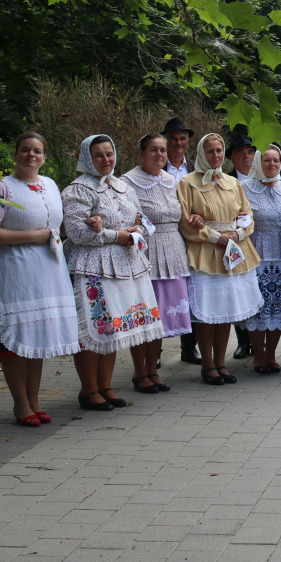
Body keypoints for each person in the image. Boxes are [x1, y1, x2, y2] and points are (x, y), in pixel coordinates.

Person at [63, 134, 164, 410]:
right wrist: (116, 235)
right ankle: (89, 389)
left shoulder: (123, 186)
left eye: (109, 154)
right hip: (93, 268)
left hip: (127, 265)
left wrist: (136, 230)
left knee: (112, 329)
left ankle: (105, 386)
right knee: (95, 328)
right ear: (87, 158)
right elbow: (76, 232)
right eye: (99, 155)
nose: (106, 160)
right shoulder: (78, 189)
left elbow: (142, 220)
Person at [0, 133, 80, 426]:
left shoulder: (49, 184)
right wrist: (35, 236)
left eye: (36, 151)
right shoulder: (4, 188)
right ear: (16, 154)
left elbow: (59, 224)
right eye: (24, 150)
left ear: (44, 156)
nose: (30, 155)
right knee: (18, 341)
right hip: (18, 272)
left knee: (38, 338)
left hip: (49, 272)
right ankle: (20, 404)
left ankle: (34, 401)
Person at [177, 134, 262, 385]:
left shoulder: (233, 182)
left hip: (233, 250)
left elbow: (246, 214)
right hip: (206, 251)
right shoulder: (187, 183)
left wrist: (237, 233)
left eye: (219, 151)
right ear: (202, 154)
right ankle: (207, 364)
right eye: (210, 151)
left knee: (225, 311)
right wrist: (215, 236)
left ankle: (221, 362)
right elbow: (185, 221)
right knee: (207, 312)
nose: (216, 156)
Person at [122, 133, 196, 393]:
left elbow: (181, 214)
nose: (159, 154)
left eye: (163, 150)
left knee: (160, 318)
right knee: (144, 314)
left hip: (172, 251)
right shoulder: (127, 181)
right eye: (153, 149)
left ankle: (152, 370)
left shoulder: (170, 179)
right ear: (141, 152)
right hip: (146, 252)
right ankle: (139, 371)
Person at [242, 145, 281, 374]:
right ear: (258, 163)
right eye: (266, 160)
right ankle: (258, 353)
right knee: (257, 307)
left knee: (276, 308)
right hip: (256, 255)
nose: (272, 164)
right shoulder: (244, 188)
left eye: (276, 160)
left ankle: (271, 354)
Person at [161, 116, 201, 365]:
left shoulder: (196, 169)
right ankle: (154, 351)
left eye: (182, 138)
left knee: (191, 288)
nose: (178, 142)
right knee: (161, 290)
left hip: (191, 236)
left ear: (187, 142)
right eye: (173, 138)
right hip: (163, 235)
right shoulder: (155, 165)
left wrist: (198, 215)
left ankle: (189, 346)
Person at [226, 132, 258, 359]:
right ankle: (242, 341)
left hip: (259, 243)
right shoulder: (227, 181)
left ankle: (258, 340)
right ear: (232, 158)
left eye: (250, 152)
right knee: (237, 291)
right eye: (241, 153)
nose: (247, 157)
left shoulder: (262, 176)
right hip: (235, 242)